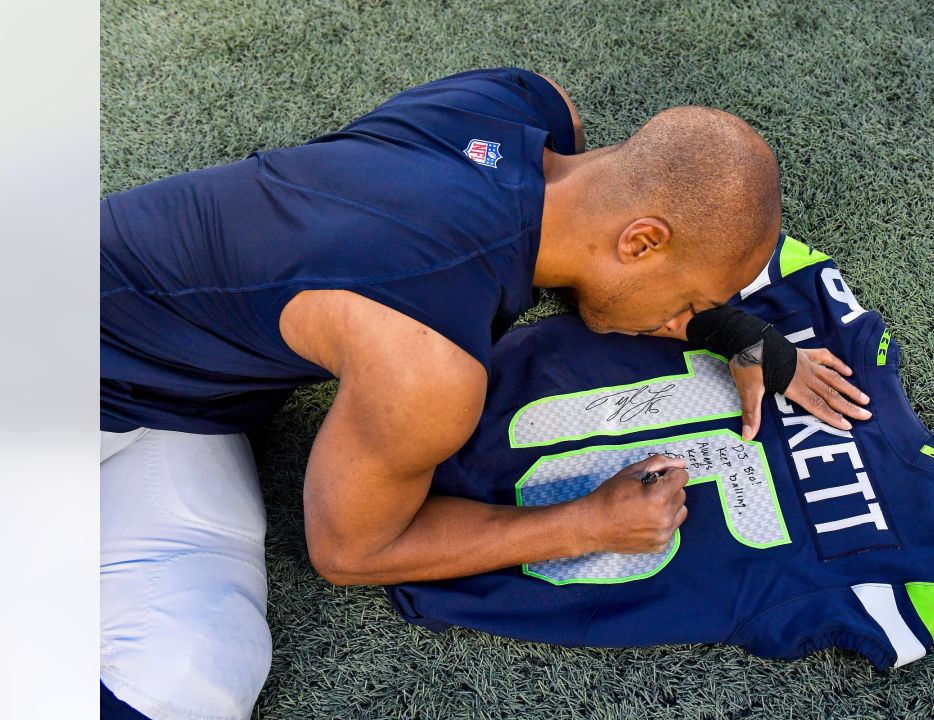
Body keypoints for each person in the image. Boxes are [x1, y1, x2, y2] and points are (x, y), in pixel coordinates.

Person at [99, 67, 872, 720]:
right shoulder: (425, 366)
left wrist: (732, 330)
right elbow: (351, 551)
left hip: (146, 385)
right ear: (641, 240)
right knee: (184, 681)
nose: (684, 323)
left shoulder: (521, 102)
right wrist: (582, 524)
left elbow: (539, 249)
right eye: (692, 301)